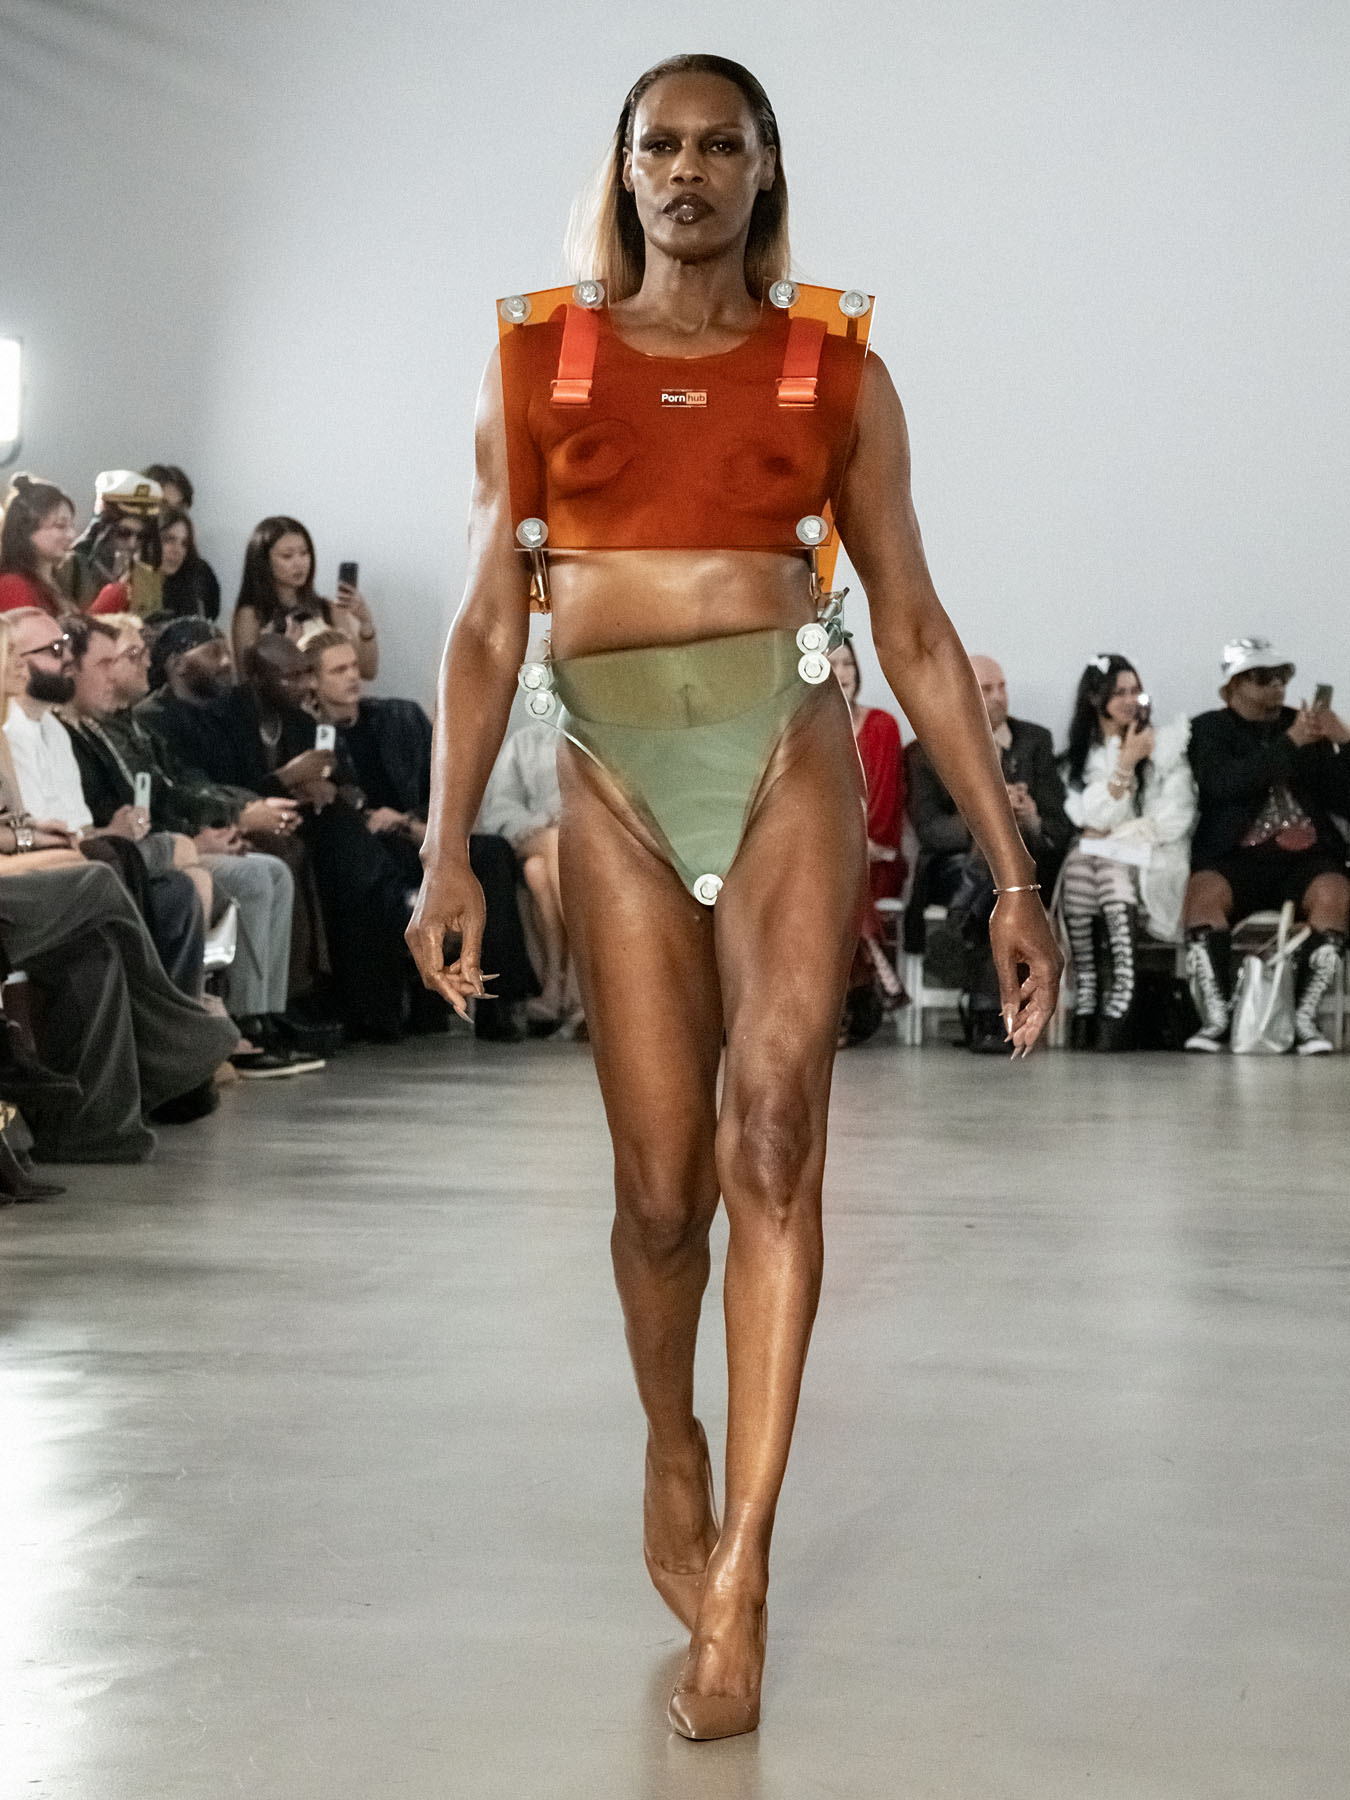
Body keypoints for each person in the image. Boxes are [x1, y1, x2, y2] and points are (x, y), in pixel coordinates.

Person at [406, 54, 1061, 1740]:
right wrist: (444, 846)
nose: (687, 172)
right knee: (656, 1195)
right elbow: (483, 623)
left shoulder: (835, 370)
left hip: (784, 746)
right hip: (609, 770)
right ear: (623, 170)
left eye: (720, 146)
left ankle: (744, 1571)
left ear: (765, 170)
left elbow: (914, 628)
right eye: (660, 146)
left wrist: (1012, 872)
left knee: (771, 1135)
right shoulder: (535, 357)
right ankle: (671, 1441)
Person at [63, 616, 320, 1076]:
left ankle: (262, 1014)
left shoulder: (124, 725)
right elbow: (133, 807)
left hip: (158, 841)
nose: (145, 662)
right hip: (133, 850)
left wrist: (239, 812)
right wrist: (214, 829)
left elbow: (176, 786)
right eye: (129, 656)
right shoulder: (121, 724)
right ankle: (238, 1022)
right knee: (254, 875)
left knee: (274, 869)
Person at [302, 623, 539, 1038]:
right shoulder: (308, 737)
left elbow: (446, 786)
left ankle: (499, 1002)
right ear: (313, 681)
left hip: (418, 832)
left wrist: (412, 825)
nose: (353, 676)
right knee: (363, 863)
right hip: (367, 850)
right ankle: (389, 1000)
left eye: (354, 666)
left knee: (492, 852)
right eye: (338, 670)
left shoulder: (400, 717)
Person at [1, 608, 209, 1000]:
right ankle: (170, 1013)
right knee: (117, 868)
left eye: (65, 646)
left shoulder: (54, 730)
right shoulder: (10, 731)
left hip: (64, 856)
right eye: (53, 650)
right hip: (35, 873)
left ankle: (177, 1010)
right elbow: (34, 835)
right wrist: (55, 840)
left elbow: (65, 827)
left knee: (177, 888)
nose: (67, 658)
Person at [1183, 637, 1350, 1054]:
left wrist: (1344, 743)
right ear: (1232, 687)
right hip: (1235, 857)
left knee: (1334, 892)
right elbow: (1224, 785)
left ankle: (1305, 1019)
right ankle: (1217, 1019)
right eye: (1262, 678)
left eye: (1282, 677)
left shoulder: (1304, 725)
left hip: (1306, 858)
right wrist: (1291, 742)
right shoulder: (1209, 729)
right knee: (1203, 896)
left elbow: (1343, 798)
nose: (1277, 687)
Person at [906, 654, 1070, 1051]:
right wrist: (985, 813)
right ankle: (993, 1015)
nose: (999, 697)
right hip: (955, 868)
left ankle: (961, 928)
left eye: (1002, 687)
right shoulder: (927, 747)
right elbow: (930, 831)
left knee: (1001, 867)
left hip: (1027, 868)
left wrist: (1030, 815)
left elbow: (1059, 826)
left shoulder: (1035, 741)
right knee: (996, 856)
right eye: (986, 689)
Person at [1059, 655, 1196, 1048]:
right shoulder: (1079, 758)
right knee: (1083, 859)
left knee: (1095, 855)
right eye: (1119, 692)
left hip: (1156, 855)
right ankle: (1091, 987)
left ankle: (1121, 986)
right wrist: (1124, 764)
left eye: (1135, 690)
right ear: (1094, 697)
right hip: (1105, 859)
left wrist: (1118, 830)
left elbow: (1175, 815)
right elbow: (1085, 816)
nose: (1130, 700)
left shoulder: (1163, 745)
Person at [827, 635, 906, 1040]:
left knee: (838, 882)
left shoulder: (882, 726)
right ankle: (872, 969)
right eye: (833, 663)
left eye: (848, 664)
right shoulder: (803, 730)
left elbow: (887, 805)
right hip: (823, 863)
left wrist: (858, 845)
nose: (842, 673)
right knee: (829, 881)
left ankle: (837, 1009)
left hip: (877, 860)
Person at [478, 722, 573, 1031]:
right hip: (538, 834)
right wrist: (544, 820)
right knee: (554, 843)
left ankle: (554, 988)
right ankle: (591, 974)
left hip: (587, 839)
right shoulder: (527, 741)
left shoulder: (605, 731)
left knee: (537, 872)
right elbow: (501, 807)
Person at [231, 515, 379, 680]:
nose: (299, 563)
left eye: (304, 553)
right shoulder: (251, 615)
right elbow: (247, 682)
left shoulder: (328, 609)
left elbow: (366, 671)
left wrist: (366, 623)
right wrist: (285, 653)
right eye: (287, 556)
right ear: (264, 562)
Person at [57, 470, 164, 616]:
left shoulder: (149, 578)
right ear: (102, 529)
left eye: (141, 536)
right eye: (123, 533)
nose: (132, 543)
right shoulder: (68, 567)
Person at [0, 474, 77, 618]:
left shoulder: (50, 582)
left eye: (71, 526)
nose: (71, 535)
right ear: (26, 530)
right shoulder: (12, 586)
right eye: (60, 526)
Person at [156, 504, 222, 619]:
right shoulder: (130, 583)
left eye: (184, 544)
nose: (177, 550)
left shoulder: (197, 576)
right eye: (169, 540)